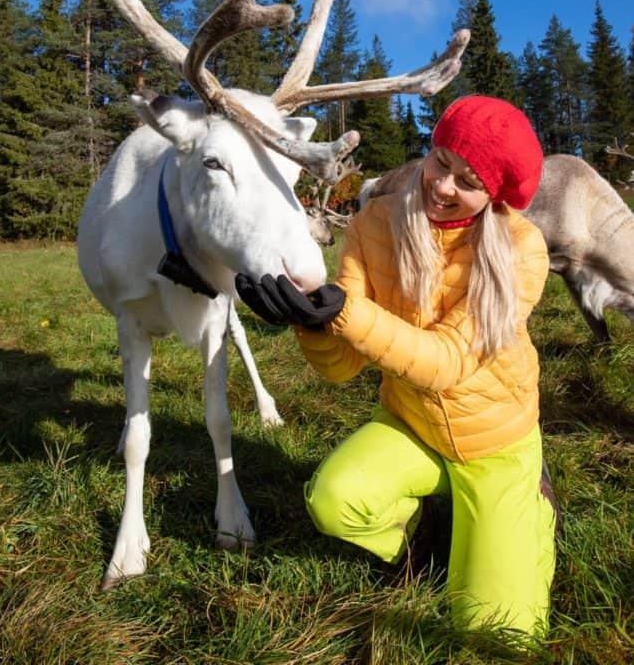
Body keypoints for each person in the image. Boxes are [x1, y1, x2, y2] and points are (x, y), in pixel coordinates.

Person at [236, 95, 558, 637]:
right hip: (412, 421)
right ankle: (429, 528)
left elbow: (449, 363)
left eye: (468, 181)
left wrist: (347, 312)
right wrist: (310, 321)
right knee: (335, 502)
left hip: (495, 444)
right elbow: (340, 367)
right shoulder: (375, 223)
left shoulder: (523, 250)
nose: (443, 185)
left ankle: (533, 509)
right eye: (441, 161)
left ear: (494, 194)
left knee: (499, 634)